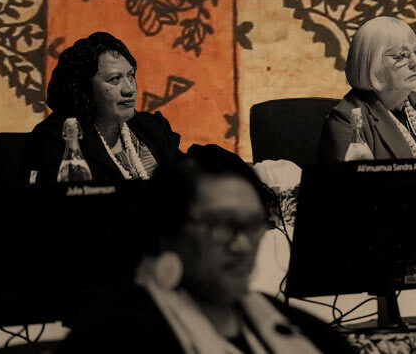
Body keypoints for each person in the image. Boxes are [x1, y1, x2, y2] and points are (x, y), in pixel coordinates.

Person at [56, 144, 357, 354]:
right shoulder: (109, 341)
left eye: (252, 225)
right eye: (222, 225)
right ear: (168, 231)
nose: (242, 245)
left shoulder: (302, 331)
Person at [318, 16, 416, 181]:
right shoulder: (348, 118)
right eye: (402, 55)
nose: (415, 63)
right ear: (372, 63)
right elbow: (348, 195)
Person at [22, 32, 181, 184]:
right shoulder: (58, 139)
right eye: (115, 79)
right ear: (84, 89)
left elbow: (186, 175)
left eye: (131, 76)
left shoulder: (150, 128)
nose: (129, 89)